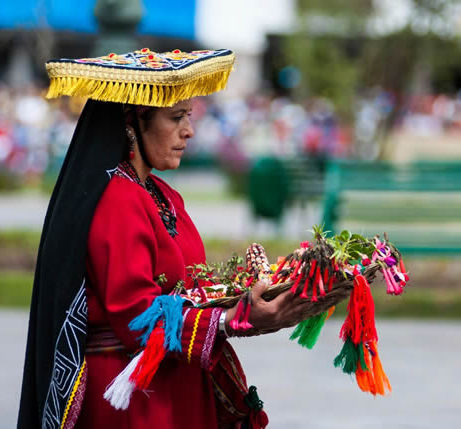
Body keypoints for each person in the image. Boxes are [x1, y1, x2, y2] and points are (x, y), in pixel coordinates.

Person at [18, 48, 309, 429]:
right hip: (137, 402)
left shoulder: (162, 194)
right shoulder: (117, 200)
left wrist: (252, 295)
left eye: (188, 116)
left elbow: (190, 286)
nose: (188, 130)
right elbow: (138, 316)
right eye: (175, 118)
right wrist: (232, 319)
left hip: (174, 383)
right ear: (132, 121)